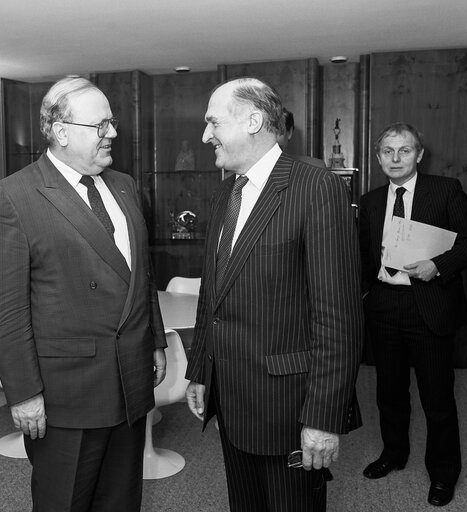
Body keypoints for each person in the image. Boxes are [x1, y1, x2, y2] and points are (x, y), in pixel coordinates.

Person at [0, 77, 167, 512]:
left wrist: (154, 340)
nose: (113, 133)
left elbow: (140, 273)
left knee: (121, 500)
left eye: (112, 123)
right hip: (66, 395)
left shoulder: (124, 185)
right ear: (61, 132)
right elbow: (5, 312)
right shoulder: (12, 196)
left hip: (130, 378)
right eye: (101, 126)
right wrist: (24, 393)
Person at [185, 77, 363, 511]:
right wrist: (200, 369)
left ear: (253, 120)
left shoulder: (315, 186)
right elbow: (214, 291)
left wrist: (322, 419)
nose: (206, 136)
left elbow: (337, 316)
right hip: (231, 399)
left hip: (287, 408)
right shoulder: (226, 191)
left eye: (213, 123)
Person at [359, 122, 467, 507]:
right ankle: (395, 454)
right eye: (388, 152)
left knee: (437, 397)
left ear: (419, 155)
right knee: (389, 392)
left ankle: (443, 473)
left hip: (429, 302)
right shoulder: (371, 200)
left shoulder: (445, 190)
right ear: (378, 157)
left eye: (404, 151)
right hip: (384, 305)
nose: (395, 159)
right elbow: (364, 256)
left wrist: (438, 266)